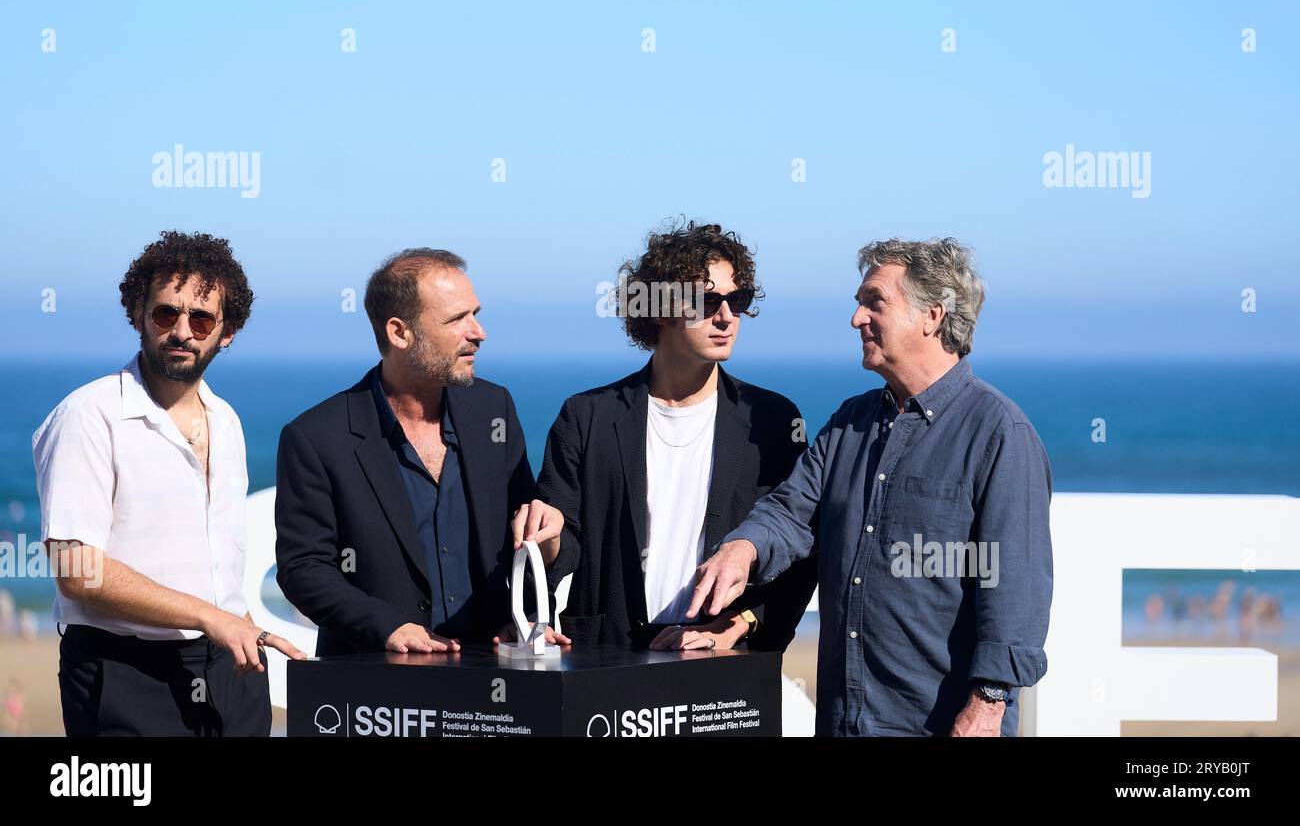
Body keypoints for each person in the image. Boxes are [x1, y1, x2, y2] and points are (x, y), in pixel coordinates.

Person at [689, 237, 1052, 736]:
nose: (856, 318)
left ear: (933, 316)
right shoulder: (849, 422)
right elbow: (792, 512)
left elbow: (1016, 589)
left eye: (873, 302)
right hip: (843, 722)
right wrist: (744, 547)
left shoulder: (1000, 433)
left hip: (941, 726)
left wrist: (987, 705)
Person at [33, 231, 303, 737]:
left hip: (232, 672)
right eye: (165, 313)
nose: (182, 330)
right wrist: (209, 617)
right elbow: (75, 573)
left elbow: (218, 560)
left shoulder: (227, 422)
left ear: (228, 332)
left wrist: (236, 623)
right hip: (126, 675)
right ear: (138, 315)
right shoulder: (89, 416)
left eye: (201, 318)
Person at [540, 220, 817, 652]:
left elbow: (802, 543)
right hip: (605, 661)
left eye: (737, 300)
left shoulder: (773, 420)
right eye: (707, 301)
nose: (726, 316)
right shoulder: (586, 415)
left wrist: (740, 623)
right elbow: (561, 541)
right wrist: (550, 537)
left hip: (718, 671)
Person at [275, 248, 566, 656]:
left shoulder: (493, 409)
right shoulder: (315, 437)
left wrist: (525, 611)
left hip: (491, 679)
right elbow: (303, 569)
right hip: (374, 691)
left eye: (475, 313)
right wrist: (388, 627)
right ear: (399, 332)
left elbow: (525, 538)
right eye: (456, 320)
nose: (478, 332)